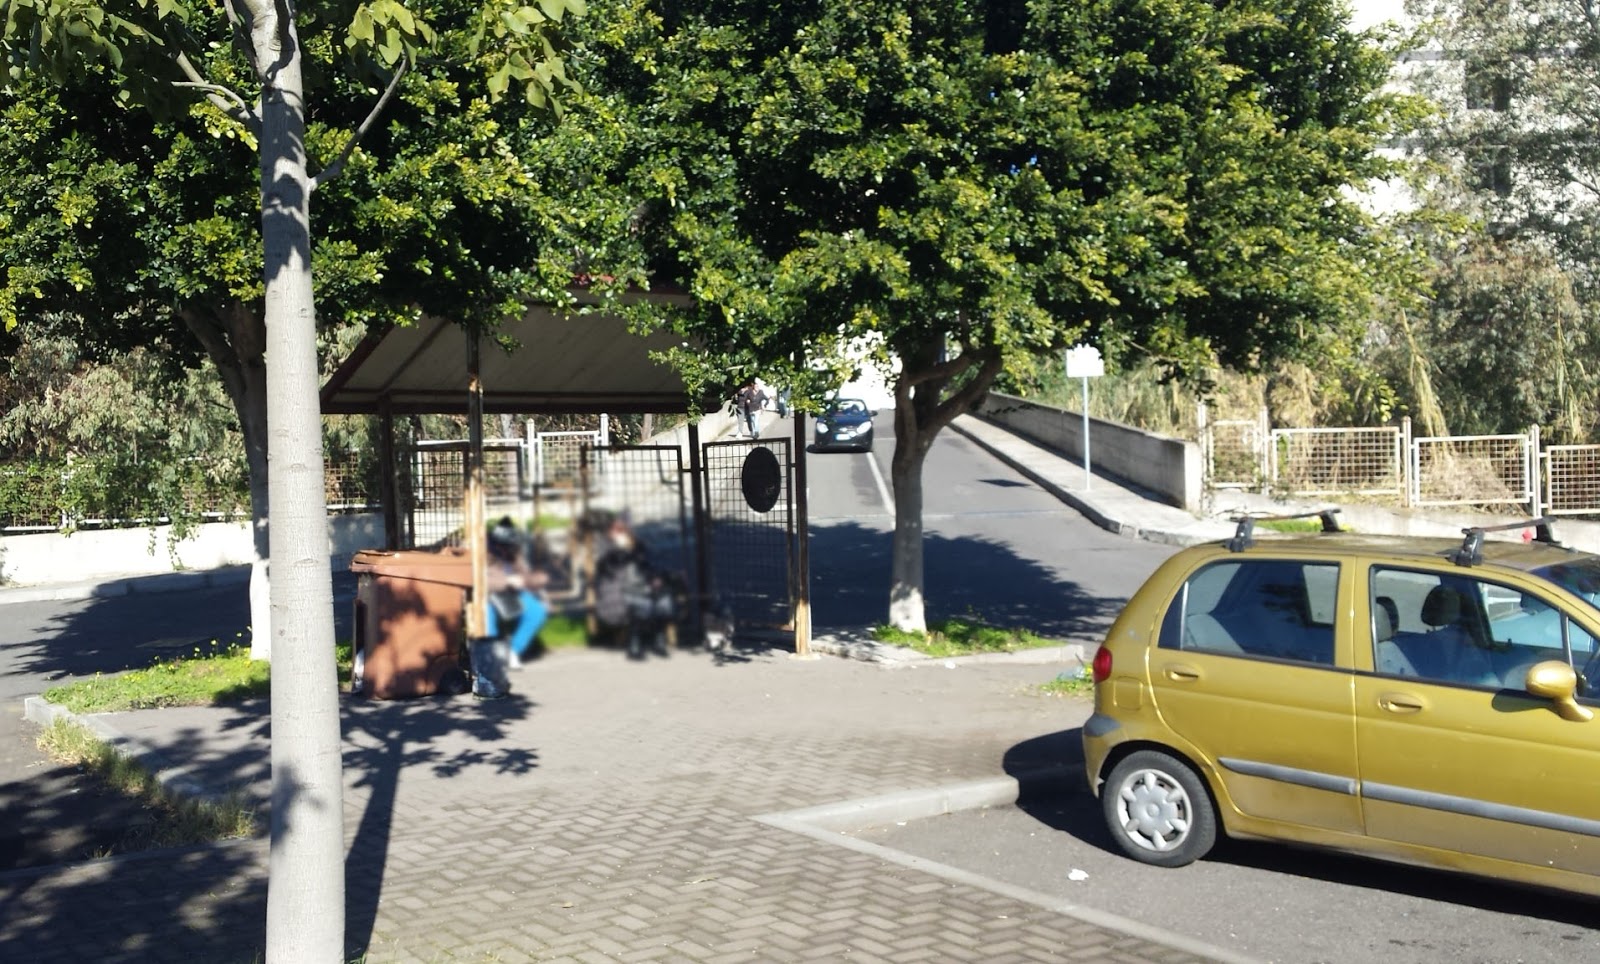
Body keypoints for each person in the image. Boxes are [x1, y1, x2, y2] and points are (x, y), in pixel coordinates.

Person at [475, 518, 550, 697]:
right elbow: (480, 581)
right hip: (488, 595)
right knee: (487, 616)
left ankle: (512, 652)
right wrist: (507, 581)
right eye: (503, 545)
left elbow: (525, 576)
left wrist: (535, 580)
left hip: (512, 594)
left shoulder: (513, 552)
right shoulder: (482, 552)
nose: (506, 548)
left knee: (537, 610)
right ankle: (489, 663)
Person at [592, 512, 677, 659]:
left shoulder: (637, 544)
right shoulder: (604, 544)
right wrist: (618, 548)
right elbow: (604, 567)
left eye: (623, 528)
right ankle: (634, 643)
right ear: (610, 530)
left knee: (663, 601)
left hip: (640, 585)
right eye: (616, 528)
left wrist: (655, 578)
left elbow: (648, 564)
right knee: (640, 603)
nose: (620, 531)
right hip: (616, 588)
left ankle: (659, 641)